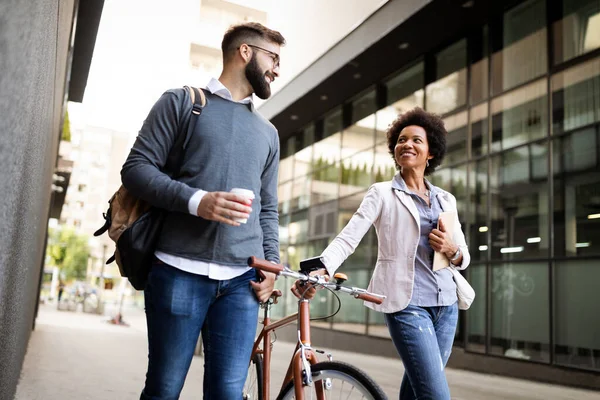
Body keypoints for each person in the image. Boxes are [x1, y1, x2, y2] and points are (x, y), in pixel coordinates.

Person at [120, 22, 285, 399]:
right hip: (178, 271)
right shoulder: (182, 102)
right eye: (273, 58)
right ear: (246, 52)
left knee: (228, 393)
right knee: (164, 388)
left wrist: (271, 264)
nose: (277, 69)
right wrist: (198, 201)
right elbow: (136, 169)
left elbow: (268, 208)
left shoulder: (268, 133)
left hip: (242, 284)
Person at [294, 108, 470, 400]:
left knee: (416, 391)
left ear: (431, 153)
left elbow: (463, 256)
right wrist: (323, 266)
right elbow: (349, 237)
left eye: (416, 140)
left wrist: (451, 251)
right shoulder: (383, 193)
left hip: (447, 305)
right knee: (435, 395)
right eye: (401, 140)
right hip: (407, 305)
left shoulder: (445, 199)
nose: (407, 145)